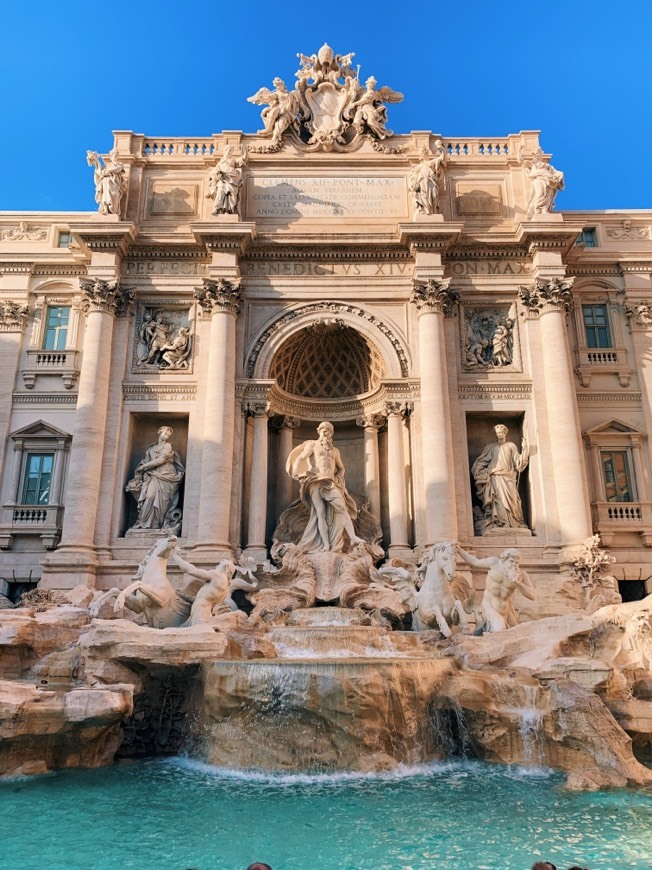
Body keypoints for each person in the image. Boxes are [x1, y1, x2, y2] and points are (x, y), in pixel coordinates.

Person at [287, 421, 364, 553]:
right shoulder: (313, 445)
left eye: (328, 430)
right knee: (320, 513)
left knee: (342, 507)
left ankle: (353, 537)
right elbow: (301, 458)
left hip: (330, 482)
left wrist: (339, 478)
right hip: (315, 481)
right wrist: (295, 470)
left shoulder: (335, 451)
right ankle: (326, 545)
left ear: (331, 433)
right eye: (323, 429)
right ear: (319, 431)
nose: (325, 431)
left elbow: (341, 468)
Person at [458, 546, 536, 633]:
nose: (514, 564)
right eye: (511, 561)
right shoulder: (494, 563)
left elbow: (532, 596)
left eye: (516, 563)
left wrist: (518, 584)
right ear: (504, 560)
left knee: (515, 634)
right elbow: (474, 562)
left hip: (507, 610)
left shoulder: (521, 575)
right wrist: (459, 550)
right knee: (500, 629)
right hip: (489, 605)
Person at [472, 423, 529, 532]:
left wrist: (525, 450)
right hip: (495, 477)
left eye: (501, 432)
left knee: (513, 502)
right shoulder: (491, 446)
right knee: (498, 500)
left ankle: (514, 521)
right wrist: (478, 471)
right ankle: (500, 523)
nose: (499, 434)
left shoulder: (511, 446)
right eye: (497, 433)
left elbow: (518, 462)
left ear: (505, 432)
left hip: (508, 477)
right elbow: (482, 461)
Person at [126, 426, 185, 530]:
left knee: (163, 501)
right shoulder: (151, 449)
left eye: (168, 435)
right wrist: (142, 468)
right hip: (153, 474)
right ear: (160, 432)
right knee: (149, 496)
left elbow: (161, 460)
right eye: (165, 433)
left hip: (166, 475)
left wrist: (144, 467)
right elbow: (145, 461)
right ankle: (142, 522)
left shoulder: (168, 446)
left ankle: (156, 524)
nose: (166, 436)